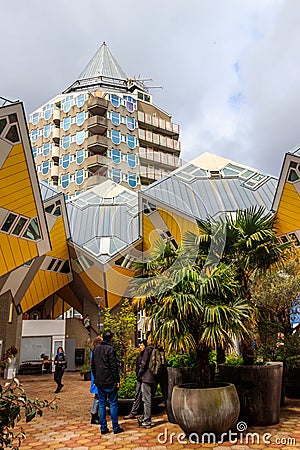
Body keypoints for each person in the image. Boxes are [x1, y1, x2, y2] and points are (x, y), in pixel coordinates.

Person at [91, 330, 124, 435]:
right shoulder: (110, 349)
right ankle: (115, 427)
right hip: (110, 381)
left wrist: (96, 378)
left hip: (100, 381)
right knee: (113, 403)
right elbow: (114, 367)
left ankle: (103, 428)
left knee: (101, 404)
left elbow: (93, 366)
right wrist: (117, 380)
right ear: (110, 339)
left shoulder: (96, 349)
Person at [124, 340, 147, 420]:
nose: (140, 347)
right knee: (137, 395)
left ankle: (145, 414)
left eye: (142, 345)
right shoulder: (140, 355)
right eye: (140, 345)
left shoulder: (146, 355)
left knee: (145, 397)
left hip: (144, 378)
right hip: (139, 378)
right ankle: (133, 412)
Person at [137, 341, 157, 428]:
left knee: (146, 400)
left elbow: (144, 364)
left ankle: (147, 421)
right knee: (149, 399)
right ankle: (144, 417)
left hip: (146, 378)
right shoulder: (155, 349)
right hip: (154, 378)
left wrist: (139, 374)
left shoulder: (147, 350)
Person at [90, 336, 102, 424]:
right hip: (97, 377)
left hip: (96, 377)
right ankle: (94, 415)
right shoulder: (95, 353)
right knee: (97, 397)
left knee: (98, 396)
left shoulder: (94, 352)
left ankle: (96, 414)